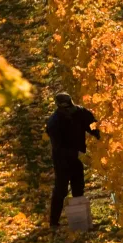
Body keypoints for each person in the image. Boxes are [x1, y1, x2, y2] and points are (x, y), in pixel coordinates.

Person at [46, 93, 99, 228]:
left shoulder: (80, 113)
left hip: (77, 156)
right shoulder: (54, 123)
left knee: (78, 186)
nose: (69, 112)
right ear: (59, 108)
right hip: (62, 159)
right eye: (66, 110)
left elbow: (93, 127)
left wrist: (101, 136)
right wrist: (78, 154)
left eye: (70, 108)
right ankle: (53, 222)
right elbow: (59, 148)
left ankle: (79, 221)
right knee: (61, 189)